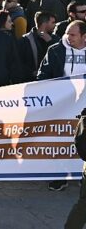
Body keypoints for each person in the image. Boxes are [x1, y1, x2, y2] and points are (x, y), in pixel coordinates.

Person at [38, 20, 86, 192]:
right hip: (63, 106)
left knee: (83, 140)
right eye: (67, 33)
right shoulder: (56, 51)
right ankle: (60, 175)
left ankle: (82, 175)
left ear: (84, 37)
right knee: (61, 140)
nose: (68, 37)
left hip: (84, 107)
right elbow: (43, 75)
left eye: (73, 34)